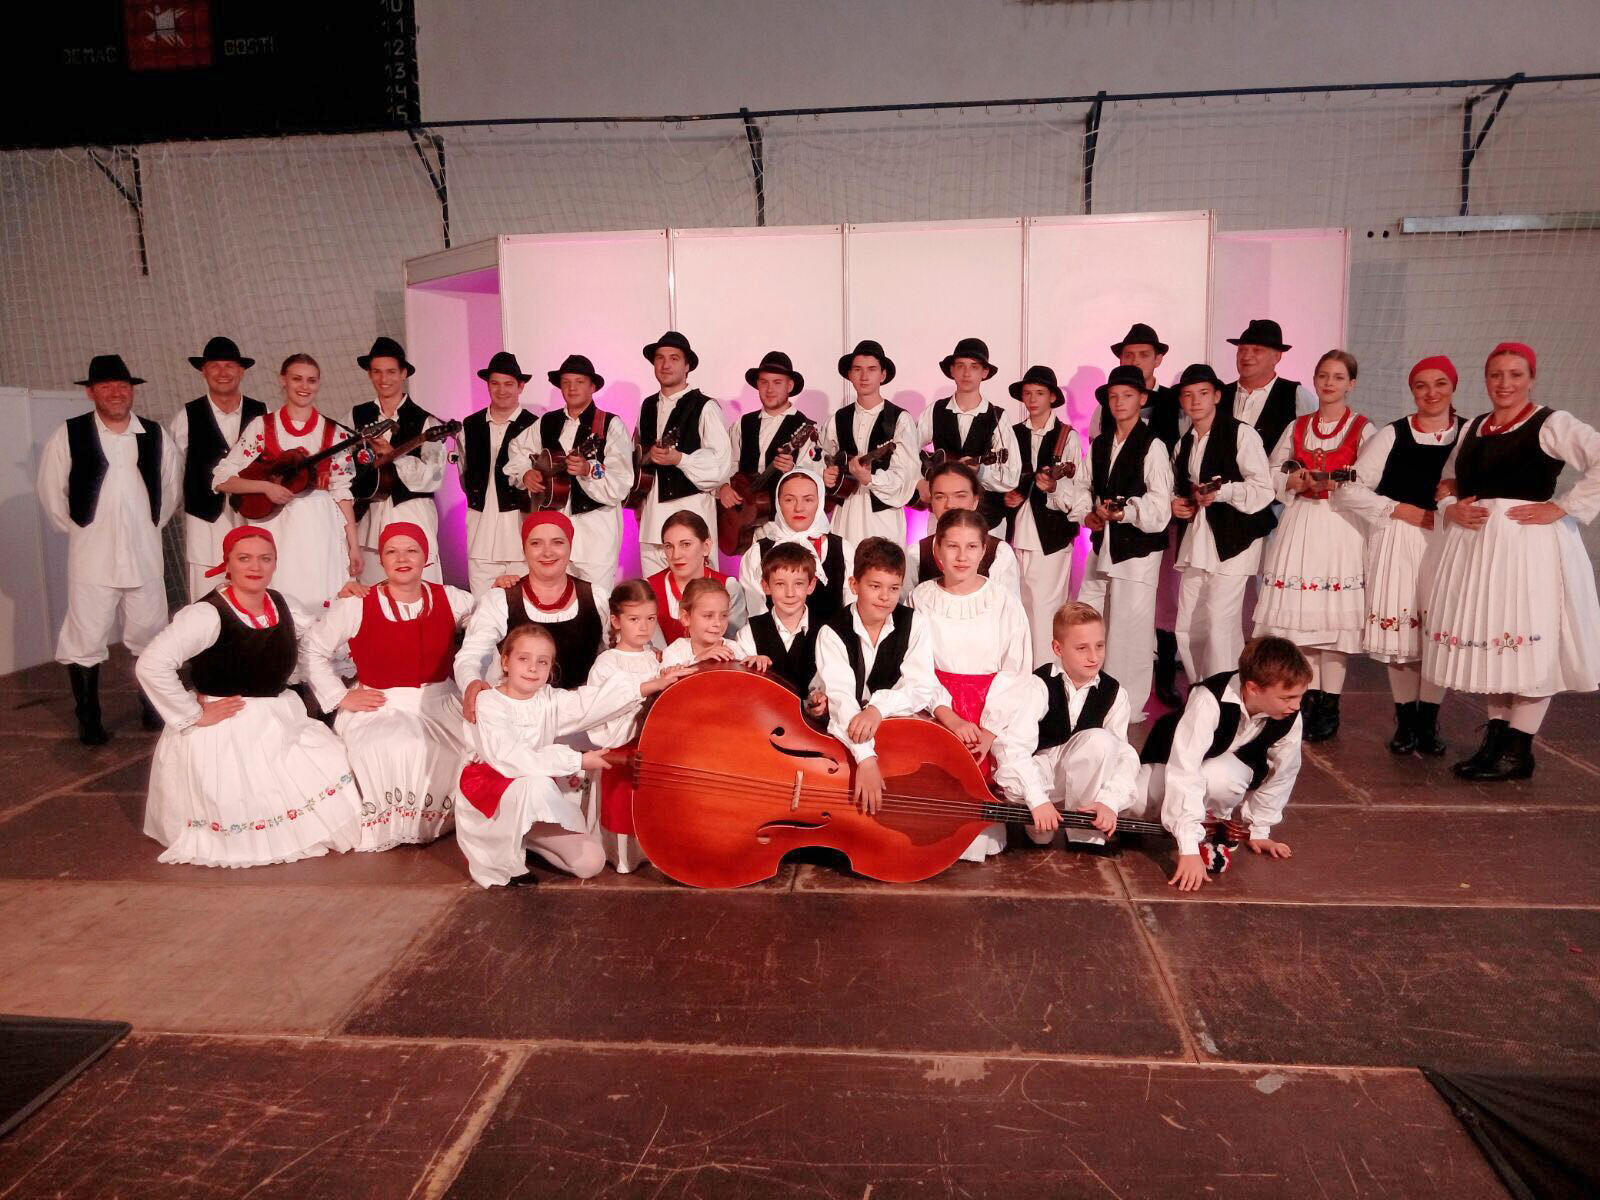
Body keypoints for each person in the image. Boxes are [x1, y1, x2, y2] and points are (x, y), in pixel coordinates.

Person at [135, 526, 363, 867]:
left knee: (333, 766)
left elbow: (320, 640)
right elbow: (152, 663)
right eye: (244, 559)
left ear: (275, 564)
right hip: (227, 726)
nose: (255, 567)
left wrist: (344, 604)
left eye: (265, 559)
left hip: (279, 719)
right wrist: (193, 714)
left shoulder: (283, 604)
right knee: (249, 805)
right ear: (228, 564)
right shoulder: (208, 614)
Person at [1424, 342, 1600, 782]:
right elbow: (1448, 480)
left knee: (1527, 641)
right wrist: (1451, 509)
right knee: (1494, 639)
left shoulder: (1551, 423)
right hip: (1479, 550)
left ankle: (1519, 749)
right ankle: (1496, 742)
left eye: (1515, 375)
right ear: (1486, 379)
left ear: (1531, 379)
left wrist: (1561, 506)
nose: (1505, 383)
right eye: (1496, 374)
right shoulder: (1474, 427)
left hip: (1527, 549)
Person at [454, 623, 683, 888]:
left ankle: (527, 834)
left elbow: (590, 703)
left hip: (534, 792)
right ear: (505, 662)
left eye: (542, 662)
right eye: (523, 659)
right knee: (534, 783)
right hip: (490, 793)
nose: (532, 668)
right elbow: (509, 757)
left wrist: (652, 685)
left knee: (591, 863)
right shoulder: (489, 702)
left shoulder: (548, 700)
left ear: (551, 668)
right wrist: (578, 760)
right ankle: (507, 847)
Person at [303, 522, 477, 852]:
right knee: (400, 746)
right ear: (380, 559)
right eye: (391, 551)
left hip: (440, 701)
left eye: (411, 550)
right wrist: (341, 696)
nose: (402, 558)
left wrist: (504, 589)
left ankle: (454, 821)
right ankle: (400, 824)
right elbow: (312, 647)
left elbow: (491, 626)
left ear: (426, 557)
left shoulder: (452, 599)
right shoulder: (358, 603)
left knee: (475, 746)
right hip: (383, 705)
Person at [38, 355, 181, 744]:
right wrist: (82, 530)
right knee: (85, 639)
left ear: (132, 390)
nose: (116, 393)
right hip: (92, 560)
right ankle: (89, 719)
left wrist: (148, 526)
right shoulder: (69, 434)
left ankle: (152, 710)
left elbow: (170, 489)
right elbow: (51, 491)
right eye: (106, 386)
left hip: (144, 557)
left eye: (123, 386)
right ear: (90, 392)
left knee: (151, 635)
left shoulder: (155, 434)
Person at [1335, 356, 1463, 755]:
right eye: (1421, 385)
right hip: (1401, 538)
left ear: (1453, 387)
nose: (1431, 392)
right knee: (1404, 635)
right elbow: (1350, 488)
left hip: (1449, 541)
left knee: (1437, 633)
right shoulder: (1393, 433)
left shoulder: (1469, 433)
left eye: (1440, 384)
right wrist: (1398, 509)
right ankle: (1406, 722)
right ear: (1412, 391)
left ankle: (1428, 723)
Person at [1253, 350, 1374, 742]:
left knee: (1333, 623)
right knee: (1300, 620)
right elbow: (1273, 469)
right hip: (1302, 522)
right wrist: (1292, 480)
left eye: (1338, 377)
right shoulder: (1298, 425)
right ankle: (1303, 699)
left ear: (1351, 383)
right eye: (1323, 376)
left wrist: (1340, 483)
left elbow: (1371, 478)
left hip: (1339, 526)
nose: (1329, 384)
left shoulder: (1362, 428)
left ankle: (1330, 704)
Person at [1136, 636, 1308, 893]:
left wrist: (1260, 829)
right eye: (1287, 697)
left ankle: (1212, 828)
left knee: (1219, 776)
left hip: (1219, 774)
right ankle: (1181, 823)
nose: (1296, 705)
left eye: (1300, 696)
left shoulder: (1290, 715)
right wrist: (1188, 848)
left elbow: (1284, 772)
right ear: (1253, 688)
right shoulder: (1208, 699)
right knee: (1136, 802)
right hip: (1168, 762)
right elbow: (1184, 769)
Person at [914, 509, 1034, 863]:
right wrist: (948, 716)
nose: (962, 556)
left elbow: (1016, 668)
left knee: (979, 823)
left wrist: (990, 729)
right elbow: (916, 665)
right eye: (952, 546)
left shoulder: (1003, 602)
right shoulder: (921, 598)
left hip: (989, 709)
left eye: (971, 547)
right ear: (937, 549)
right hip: (937, 707)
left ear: (984, 550)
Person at [214, 354, 363, 613]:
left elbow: (342, 493)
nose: (304, 386)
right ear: (282, 380)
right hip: (275, 526)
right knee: (281, 592)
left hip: (320, 529)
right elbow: (222, 478)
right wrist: (266, 487)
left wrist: (354, 546)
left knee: (322, 595)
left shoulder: (335, 432)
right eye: (297, 379)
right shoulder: (263, 427)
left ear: (319, 384)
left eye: (311, 380)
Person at [989, 601, 1141, 849]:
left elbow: (1124, 756)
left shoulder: (1115, 693)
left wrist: (1110, 801)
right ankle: (1039, 817)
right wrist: (1037, 798)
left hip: (1084, 780)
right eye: (1082, 648)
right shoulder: (1037, 685)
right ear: (1057, 648)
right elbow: (1013, 746)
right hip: (1041, 778)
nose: (1094, 657)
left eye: (1099, 646)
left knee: (1102, 742)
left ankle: (1083, 831)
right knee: (1041, 837)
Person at [1076, 365, 1174, 723]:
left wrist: (1125, 513)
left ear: (1142, 399)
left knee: (1131, 627)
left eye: (1127, 395)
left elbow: (1160, 506)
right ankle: (1095, 694)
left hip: (1138, 549)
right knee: (1094, 616)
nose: (1119, 402)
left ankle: (1127, 706)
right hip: (1104, 544)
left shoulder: (1153, 445)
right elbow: (1084, 486)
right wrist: (1088, 513)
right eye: (1114, 396)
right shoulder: (1101, 443)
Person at [813, 538, 939, 812]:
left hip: (897, 729)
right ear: (854, 585)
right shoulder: (832, 632)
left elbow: (921, 687)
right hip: (845, 734)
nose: (885, 596)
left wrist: (878, 709)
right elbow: (841, 698)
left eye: (894, 588)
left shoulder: (915, 623)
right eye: (875, 586)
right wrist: (866, 758)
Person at [1169, 363, 1275, 686]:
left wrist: (1223, 492)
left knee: (1220, 620)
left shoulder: (1241, 433)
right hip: (1198, 540)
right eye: (1188, 395)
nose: (1195, 401)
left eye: (1203, 393)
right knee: (1188, 622)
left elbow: (1263, 489)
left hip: (1236, 539)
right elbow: (1178, 487)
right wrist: (1177, 504)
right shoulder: (1184, 443)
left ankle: (1225, 694)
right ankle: (1201, 690)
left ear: (1217, 396)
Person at [456, 511, 611, 715]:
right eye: (536, 543)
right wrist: (471, 682)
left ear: (570, 547)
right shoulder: (501, 599)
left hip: (582, 714)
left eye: (557, 542)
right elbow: (471, 655)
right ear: (524, 549)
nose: (547, 552)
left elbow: (618, 650)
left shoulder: (597, 598)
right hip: (520, 715)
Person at [505, 352, 634, 592]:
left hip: (595, 531)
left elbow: (622, 481)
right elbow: (516, 449)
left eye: (579, 382)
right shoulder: (547, 422)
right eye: (566, 382)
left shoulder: (610, 424)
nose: (572, 388)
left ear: (593, 387)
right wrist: (525, 473)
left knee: (597, 598)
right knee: (554, 596)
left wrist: (589, 469)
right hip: (552, 530)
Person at [1107, 323, 1185, 706]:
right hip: (1119, 530)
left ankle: (1162, 675)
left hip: (1162, 517)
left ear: (1158, 359)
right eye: (1129, 355)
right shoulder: (1108, 413)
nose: (1135, 360)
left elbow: (1185, 453)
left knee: (1163, 600)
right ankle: (1116, 686)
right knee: (1123, 609)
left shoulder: (1174, 404)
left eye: (1143, 354)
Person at [168, 336, 266, 601]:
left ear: (241, 371)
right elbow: (173, 475)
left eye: (229, 366)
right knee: (205, 601)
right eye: (215, 366)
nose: (223, 372)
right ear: (204, 371)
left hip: (252, 519)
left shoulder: (263, 413)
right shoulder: (186, 416)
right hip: (205, 526)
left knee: (251, 598)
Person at [1002, 364, 1087, 667]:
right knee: (1018, 605)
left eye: (1039, 393)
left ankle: (1046, 673)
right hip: (1016, 531)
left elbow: (1077, 487)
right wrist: (1008, 497)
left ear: (1052, 397)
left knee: (1046, 608)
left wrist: (1053, 488)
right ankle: (1022, 671)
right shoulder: (1012, 434)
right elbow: (1002, 477)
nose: (1032, 399)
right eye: (1028, 393)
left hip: (1051, 535)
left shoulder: (1067, 437)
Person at [633, 331, 733, 576]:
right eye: (660, 358)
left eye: (674, 358)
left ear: (687, 366)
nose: (665, 364)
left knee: (698, 591)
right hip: (651, 525)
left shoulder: (705, 407)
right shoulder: (647, 406)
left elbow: (720, 465)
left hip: (692, 518)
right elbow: (634, 455)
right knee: (655, 592)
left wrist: (679, 458)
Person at [588, 580, 671, 873]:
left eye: (650, 619)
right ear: (616, 621)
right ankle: (623, 856)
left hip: (651, 747)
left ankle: (651, 850)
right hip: (620, 745)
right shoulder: (607, 663)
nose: (644, 627)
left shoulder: (657, 659)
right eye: (634, 619)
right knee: (622, 799)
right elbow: (598, 711)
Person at [352, 337, 448, 584]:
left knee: (419, 589)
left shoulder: (426, 421)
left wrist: (394, 455)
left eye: (391, 372)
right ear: (370, 374)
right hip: (369, 520)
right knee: (373, 592)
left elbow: (433, 477)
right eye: (377, 372)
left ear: (403, 373)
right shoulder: (356, 416)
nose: (384, 379)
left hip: (411, 514)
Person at [818, 340, 918, 546]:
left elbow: (907, 474)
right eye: (857, 369)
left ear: (883, 375)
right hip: (846, 513)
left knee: (882, 562)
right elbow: (821, 457)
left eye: (871, 369)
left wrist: (871, 479)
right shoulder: (838, 419)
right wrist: (825, 474)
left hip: (883, 516)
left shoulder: (899, 419)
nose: (864, 376)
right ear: (850, 374)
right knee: (846, 560)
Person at [915, 337, 1022, 528]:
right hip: (941, 517)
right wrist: (919, 481)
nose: (966, 373)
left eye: (974, 366)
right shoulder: (935, 410)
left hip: (986, 520)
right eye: (960, 366)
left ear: (984, 372)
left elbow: (1011, 476)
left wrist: (981, 471)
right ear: (952, 370)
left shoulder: (997, 417)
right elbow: (906, 451)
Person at [459, 351, 537, 595]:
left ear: (520, 387)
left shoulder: (535, 425)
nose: (502, 390)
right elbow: (464, 474)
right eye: (495, 383)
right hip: (480, 534)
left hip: (519, 534)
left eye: (509, 384)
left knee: (522, 605)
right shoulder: (470, 425)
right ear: (488, 385)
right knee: (482, 606)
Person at [737, 468, 853, 625]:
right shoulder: (757, 553)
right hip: (774, 640)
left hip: (831, 640)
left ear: (820, 502)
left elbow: (851, 612)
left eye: (808, 500)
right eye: (789, 500)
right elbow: (756, 615)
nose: (799, 508)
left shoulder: (843, 550)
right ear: (778, 503)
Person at [720, 349, 820, 516]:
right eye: (764, 382)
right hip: (743, 518)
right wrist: (723, 486)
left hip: (785, 519)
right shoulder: (742, 424)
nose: (769, 390)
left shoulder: (806, 428)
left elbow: (815, 477)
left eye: (777, 382)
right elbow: (728, 464)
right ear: (757, 385)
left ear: (790, 386)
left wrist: (793, 470)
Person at [903, 462, 1023, 596]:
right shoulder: (916, 554)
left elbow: (1009, 605)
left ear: (975, 501)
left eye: (960, 496)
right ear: (932, 502)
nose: (950, 504)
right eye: (940, 497)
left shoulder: (999, 553)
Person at [734, 541, 825, 700]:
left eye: (798, 584)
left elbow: (834, 684)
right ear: (766, 586)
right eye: (780, 584)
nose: (790, 593)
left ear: (811, 586)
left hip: (811, 716)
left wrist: (823, 702)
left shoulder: (826, 633)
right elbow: (742, 690)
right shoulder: (749, 633)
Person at [1220, 319, 1316, 466]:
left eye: (1257, 350)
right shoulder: (1219, 395)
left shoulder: (1296, 396)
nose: (1246, 356)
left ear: (1277, 357)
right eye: (1242, 349)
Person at [646, 510, 747, 645]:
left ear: (706, 547)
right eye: (669, 546)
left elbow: (736, 643)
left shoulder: (728, 586)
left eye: (686, 544)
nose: (676, 555)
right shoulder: (650, 588)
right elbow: (648, 646)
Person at [660, 577, 749, 667]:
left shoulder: (734, 649)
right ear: (686, 618)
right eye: (708, 616)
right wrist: (698, 661)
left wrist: (754, 665)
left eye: (724, 615)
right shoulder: (674, 652)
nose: (718, 623)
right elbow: (668, 675)